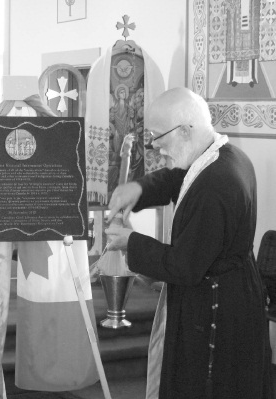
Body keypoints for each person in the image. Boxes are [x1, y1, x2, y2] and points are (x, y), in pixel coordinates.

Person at [105, 87, 273, 399]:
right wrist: (139, 190)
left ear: (184, 131)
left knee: (208, 386)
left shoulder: (216, 185)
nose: (156, 148)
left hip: (217, 310)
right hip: (228, 292)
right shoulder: (221, 156)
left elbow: (184, 266)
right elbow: (177, 180)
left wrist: (131, 242)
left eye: (159, 137)